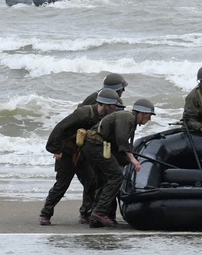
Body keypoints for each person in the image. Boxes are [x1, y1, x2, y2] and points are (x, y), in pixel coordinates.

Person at [83, 97, 155, 228]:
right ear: (141, 113)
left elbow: (118, 144)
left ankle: (97, 216)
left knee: (104, 178)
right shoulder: (127, 117)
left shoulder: (129, 120)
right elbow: (121, 139)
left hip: (94, 145)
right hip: (95, 145)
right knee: (116, 175)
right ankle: (99, 213)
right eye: (149, 116)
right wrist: (133, 160)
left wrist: (129, 159)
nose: (149, 119)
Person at [39, 95, 105, 225]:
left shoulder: (101, 117)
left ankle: (85, 213)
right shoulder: (83, 113)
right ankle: (45, 213)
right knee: (62, 184)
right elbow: (60, 127)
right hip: (66, 153)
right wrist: (56, 149)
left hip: (82, 154)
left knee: (91, 181)